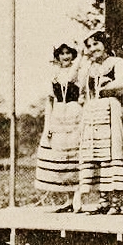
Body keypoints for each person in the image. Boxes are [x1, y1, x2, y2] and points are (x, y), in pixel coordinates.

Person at [76, 30, 123, 214]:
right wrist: (84, 62)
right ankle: (103, 200)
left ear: (105, 44)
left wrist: (108, 88)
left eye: (96, 44)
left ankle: (115, 201)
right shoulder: (89, 69)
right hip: (93, 113)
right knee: (95, 154)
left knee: (111, 152)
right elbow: (81, 90)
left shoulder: (118, 63)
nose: (93, 49)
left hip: (111, 111)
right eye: (89, 46)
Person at [34, 43, 84, 211]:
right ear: (57, 56)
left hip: (75, 112)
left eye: (68, 53)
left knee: (76, 155)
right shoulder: (53, 74)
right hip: (58, 115)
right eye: (62, 53)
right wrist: (47, 125)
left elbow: (72, 79)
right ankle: (68, 198)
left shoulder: (78, 70)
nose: (65, 56)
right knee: (62, 158)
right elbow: (50, 101)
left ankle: (78, 196)